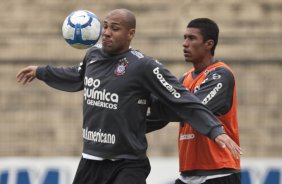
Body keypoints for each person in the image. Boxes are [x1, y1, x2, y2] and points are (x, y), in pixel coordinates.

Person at [16, 9, 241, 184]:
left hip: (201, 170)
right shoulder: (93, 56)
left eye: (114, 28)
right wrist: (41, 71)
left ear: (130, 33)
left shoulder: (145, 66)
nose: (106, 32)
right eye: (104, 27)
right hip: (94, 160)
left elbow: (183, 103)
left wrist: (214, 130)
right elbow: (77, 76)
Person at [147, 18, 241, 184]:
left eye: (191, 38)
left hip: (218, 173)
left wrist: (155, 99)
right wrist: (125, 127)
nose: (185, 43)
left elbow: (191, 109)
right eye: (184, 38)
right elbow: (161, 115)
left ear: (209, 44)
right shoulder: (185, 78)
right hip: (188, 175)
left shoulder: (221, 75)